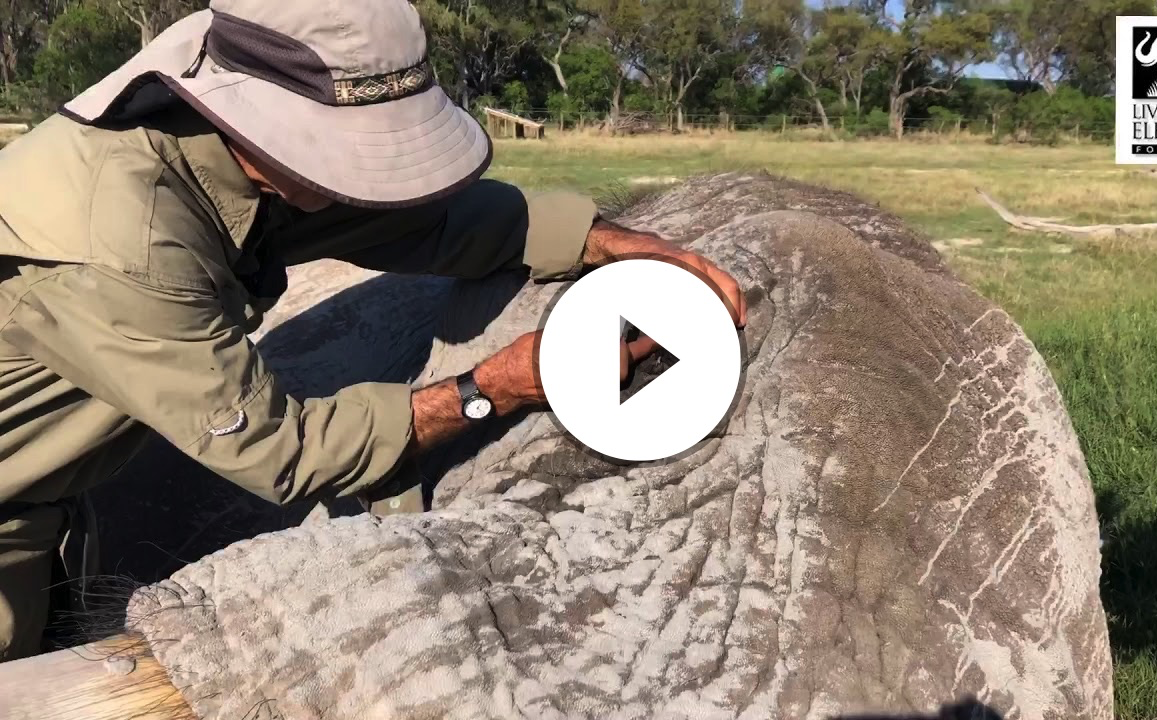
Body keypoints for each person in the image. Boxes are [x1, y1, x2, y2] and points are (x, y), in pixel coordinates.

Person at [0, 0, 746, 662]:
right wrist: (496, 388)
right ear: (252, 124)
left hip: (60, 501)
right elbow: (280, 451)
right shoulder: (128, 243)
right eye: (350, 155)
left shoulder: (228, 146)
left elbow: (423, 222)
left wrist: (592, 237)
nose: (366, 181)